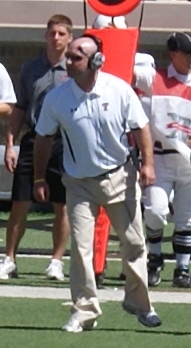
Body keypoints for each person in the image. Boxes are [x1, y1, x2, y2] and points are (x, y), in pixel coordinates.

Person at [33, 35, 162, 332]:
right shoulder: (57, 98)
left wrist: (149, 163)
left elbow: (140, 127)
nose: (69, 61)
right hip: (78, 182)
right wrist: (39, 177)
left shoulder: (119, 90)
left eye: (76, 56)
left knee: (133, 244)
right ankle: (84, 309)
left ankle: (140, 304)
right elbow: (43, 137)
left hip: (120, 177)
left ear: (96, 61)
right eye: (69, 55)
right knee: (81, 247)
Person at [0, 14, 73, 281]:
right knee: (20, 200)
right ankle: (9, 258)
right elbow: (19, 109)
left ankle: (56, 261)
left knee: (61, 203)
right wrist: (11, 144)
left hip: (64, 142)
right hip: (33, 138)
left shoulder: (76, 69)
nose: (56, 38)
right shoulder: (31, 68)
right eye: (52, 33)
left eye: (61, 33)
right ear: (46, 36)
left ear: (70, 37)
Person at [139, 32, 191, 288]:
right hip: (160, 156)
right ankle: (155, 257)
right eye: (188, 54)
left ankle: (182, 268)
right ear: (174, 54)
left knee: (186, 217)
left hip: (188, 162)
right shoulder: (153, 80)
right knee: (156, 211)